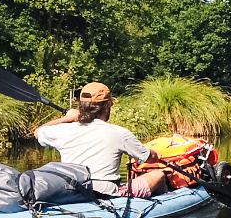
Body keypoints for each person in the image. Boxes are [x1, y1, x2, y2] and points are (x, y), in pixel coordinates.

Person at [34, 82, 168, 198]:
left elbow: (38, 132)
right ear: (107, 105)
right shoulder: (119, 133)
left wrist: (66, 118)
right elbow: (148, 158)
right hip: (107, 194)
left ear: (82, 106)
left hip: (73, 192)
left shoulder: (63, 131)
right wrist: (156, 154)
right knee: (157, 174)